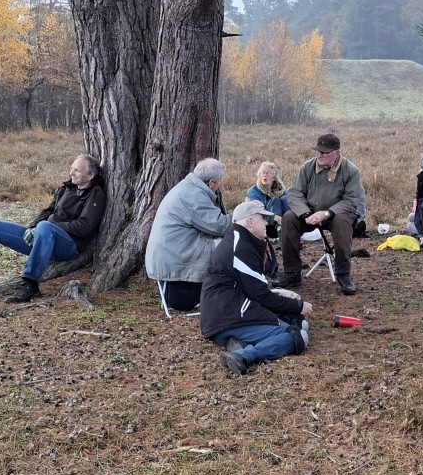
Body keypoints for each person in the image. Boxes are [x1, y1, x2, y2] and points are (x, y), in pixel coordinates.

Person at [0, 155, 106, 303]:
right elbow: (48, 211)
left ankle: (30, 283)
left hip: (68, 246)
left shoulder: (95, 193)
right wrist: (32, 227)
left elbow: (84, 227)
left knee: (45, 226)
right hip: (43, 235)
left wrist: (46, 227)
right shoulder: (66, 188)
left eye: (77, 170)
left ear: (90, 175)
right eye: (71, 168)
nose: (71, 173)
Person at [202, 200, 315, 376]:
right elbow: (261, 295)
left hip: (226, 311)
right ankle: (242, 355)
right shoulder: (241, 248)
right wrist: (298, 305)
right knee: (296, 336)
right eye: (262, 219)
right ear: (250, 221)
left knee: (298, 321)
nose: (266, 223)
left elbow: (257, 289)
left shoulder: (240, 239)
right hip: (228, 317)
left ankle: (237, 341)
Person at [277, 132, 367, 295]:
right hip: (309, 212)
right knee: (289, 219)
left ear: (337, 153)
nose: (320, 155)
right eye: (318, 151)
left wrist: (326, 213)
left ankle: (343, 274)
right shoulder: (307, 167)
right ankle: (292, 273)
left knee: (342, 224)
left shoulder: (351, 171)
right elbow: (295, 193)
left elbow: (351, 200)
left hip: (336, 213)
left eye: (325, 152)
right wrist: (305, 214)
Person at [145, 158, 231, 311]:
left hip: (172, 254)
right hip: (177, 256)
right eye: (220, 181)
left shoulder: (187, 188)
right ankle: (231, 291)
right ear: (211, 183)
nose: (221, 184)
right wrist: (243, 216)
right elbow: (220, 226)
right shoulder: (194, 196)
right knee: (231, 246)